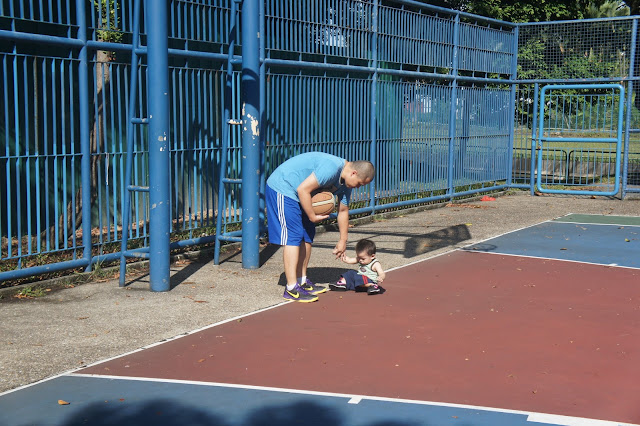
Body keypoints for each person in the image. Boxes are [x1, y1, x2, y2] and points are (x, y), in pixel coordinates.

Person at [266, 152, 375, 302]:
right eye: (359, 183)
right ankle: (291, 288)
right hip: (284, 187)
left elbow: (343, 210)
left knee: (307, 236)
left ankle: (301, 281)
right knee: (293, 236)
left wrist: (343, 240)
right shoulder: (331, 168)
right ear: (354, 173)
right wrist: (312, 215)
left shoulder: (346, 184)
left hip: (301, 193)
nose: (357, 187)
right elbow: (303, 189)